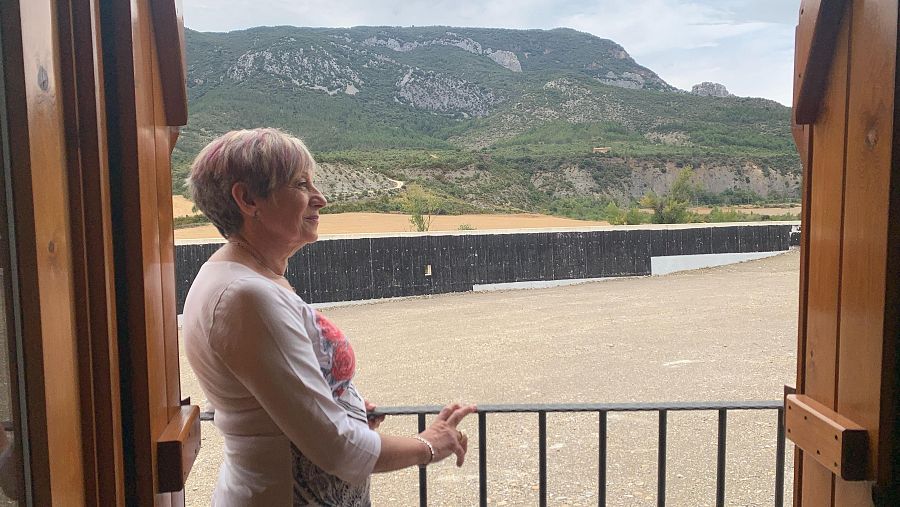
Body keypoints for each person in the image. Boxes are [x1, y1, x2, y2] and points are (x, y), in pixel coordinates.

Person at [182, 128, 476, 506]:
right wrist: (430, 443)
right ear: (248, 198)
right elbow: (336, 447)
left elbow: (270, 400)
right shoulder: (245, 296)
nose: (319, 198)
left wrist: (343, 407)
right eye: (301, 184)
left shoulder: (241, 278)